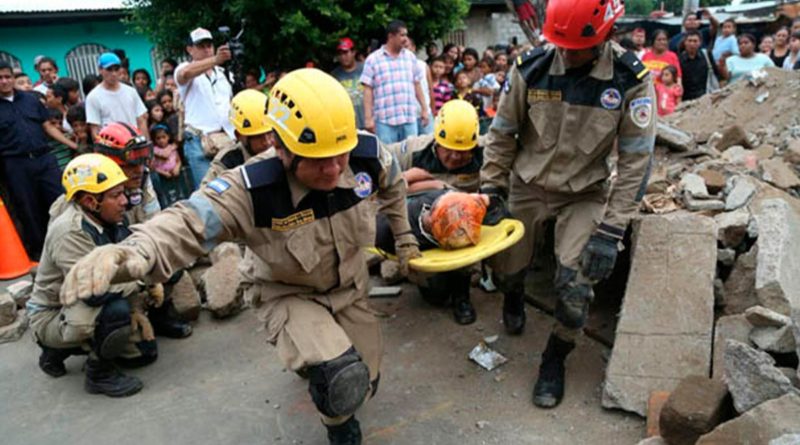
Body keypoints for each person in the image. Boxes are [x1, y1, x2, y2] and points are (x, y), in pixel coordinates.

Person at [61, 68, 419, 445]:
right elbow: (188, 221)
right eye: (316, 160)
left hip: (351, 288)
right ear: (281, 147)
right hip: (289, 293)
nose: (332, 169)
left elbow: (394, 187)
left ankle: (324, 366)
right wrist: (133, 250)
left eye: (339, 155)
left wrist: (406, 238)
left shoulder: (366, 156)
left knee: (367, 379)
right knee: (340, 377)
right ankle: (338, 423)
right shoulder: (251, 188)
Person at [482, 0, 655, 409]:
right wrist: (491, 191)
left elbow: (636, 162)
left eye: (576, 46)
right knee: (506, 264)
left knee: (575, 289)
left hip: (583, 193)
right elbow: (502, 133)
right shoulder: (532, 68)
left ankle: (554, 358)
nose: (566, 53)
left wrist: (611, 232)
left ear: (606, 37)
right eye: (559, 43)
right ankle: (513, 291)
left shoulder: (631, 80)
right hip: (526, 184)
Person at [27, 153, 159, 397]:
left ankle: (67, 349)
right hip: (54, 312)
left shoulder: (107, 216)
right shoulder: (69, 231)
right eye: (115, 195)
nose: (124, 201)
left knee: (145, 354)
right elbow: (93, 291)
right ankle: (98, 374)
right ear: (90, 201)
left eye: (122, 193)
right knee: (114, 311)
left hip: (79, 300)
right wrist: (143, 282)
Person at [384, 100, 510, 326]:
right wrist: (408, 182)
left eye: (462, 153)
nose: (454, 158)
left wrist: (439, 187)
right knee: (436, 296)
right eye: (448, 151)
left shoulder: (487, 152)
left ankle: (463, 295)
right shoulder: (413, 150)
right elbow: (378, 176)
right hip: (425, 226)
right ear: (436, 141)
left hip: (465, 226)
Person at [0, 61, 76, 260]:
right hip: (15, 165)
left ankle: (70, 243)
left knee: (61, 200)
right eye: (0, 78)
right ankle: (41, 253)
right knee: (28, 208)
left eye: (7, 76)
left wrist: (73, 145)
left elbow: (48, 127)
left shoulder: (30, 100)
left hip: (44, 159)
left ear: (13, 78)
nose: (4, 81)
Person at [175, 27, 236, 189]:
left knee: (233, 190)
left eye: (209, 45)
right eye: (201, 46)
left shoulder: (224, 73)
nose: (207, 49)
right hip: (199, 141)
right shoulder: (184, 68)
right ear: (190, 49)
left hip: (226, 139)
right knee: (207, 193)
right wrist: (215, 59)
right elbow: (185, 74)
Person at [361, 19, 429, 144]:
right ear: (391, 36)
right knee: (388, 158)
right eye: (402, 35)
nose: (406, 39)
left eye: (406, 35)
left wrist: (425, 109)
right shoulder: (373, 59)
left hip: (409, 119)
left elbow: (417, 84)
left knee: (410, 156)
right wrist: (368, 118)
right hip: (384, 121)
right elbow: (367, 89)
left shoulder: (410, 57)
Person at [85, 53, 148, 142]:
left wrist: (144, 143)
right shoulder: (93, 97)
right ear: (100, 70)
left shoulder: (131, 91)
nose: (114, 73)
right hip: (112, 146)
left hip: (134, 144)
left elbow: (141, 120)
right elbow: (95, 130)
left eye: (116, 69)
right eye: (109, 70)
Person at [331, 37, 365, 130]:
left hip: (368, 121)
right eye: (340, 54)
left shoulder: (365, 68)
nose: (343, 57)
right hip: (349, 125)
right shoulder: (334, 75)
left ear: (353, 52)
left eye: (346, 53)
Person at [680, 30, 719, 101]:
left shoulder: (707, 56)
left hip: (705, 97)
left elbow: (717, 75)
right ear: (685, 42)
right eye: (689, 41)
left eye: (695, 41)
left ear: (700, 42)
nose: (692, 44)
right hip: (685, 99)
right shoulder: (679, 59)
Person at [406, 37, 435, 136]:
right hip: (407, 117)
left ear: (413, 48)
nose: (405, 50)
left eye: (407, 47)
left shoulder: (423, 65)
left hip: (425, 113)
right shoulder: (396, 68)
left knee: (429, 143)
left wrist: (432, 111)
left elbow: (430, 90)